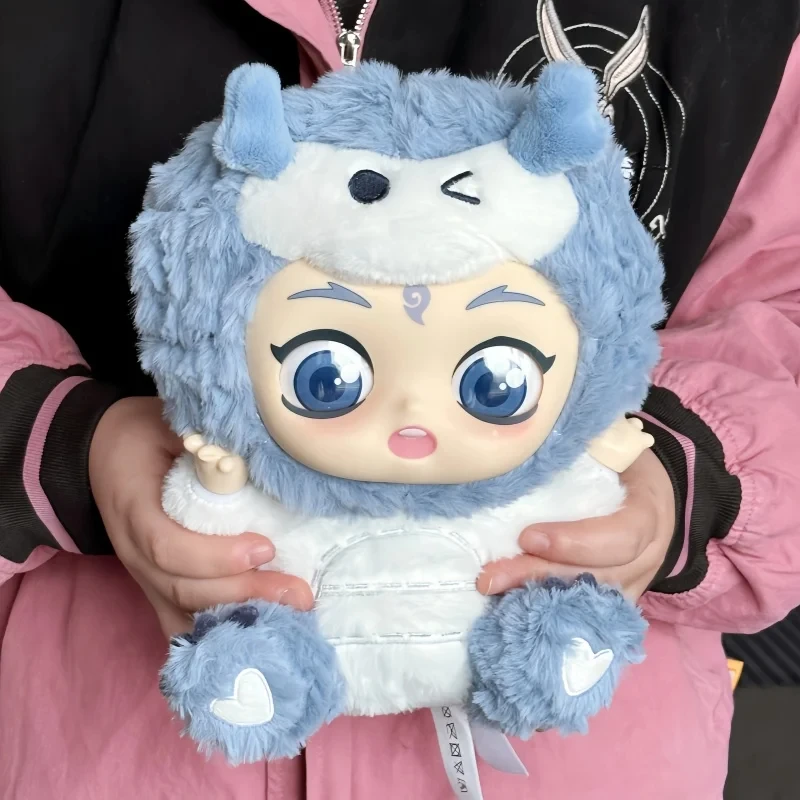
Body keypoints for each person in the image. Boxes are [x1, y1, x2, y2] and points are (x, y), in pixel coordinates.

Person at [0, 1, 798, 797]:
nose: (411, 421)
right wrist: (53, 443)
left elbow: (783, 294)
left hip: (590, 759)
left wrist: (685, 478)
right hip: (110, 734)